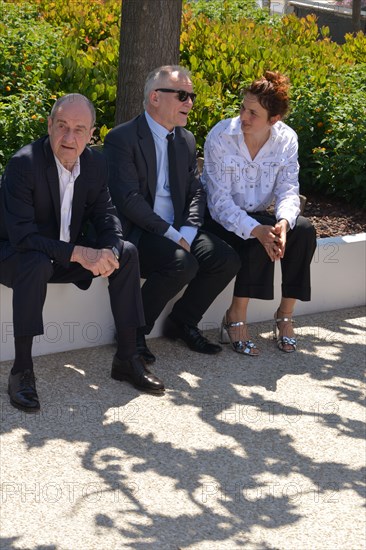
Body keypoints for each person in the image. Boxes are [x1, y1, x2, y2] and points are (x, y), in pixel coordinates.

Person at [0, 93, 165, 413]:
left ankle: (128, 358)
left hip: (61, 257)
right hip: (15, 254)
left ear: (91, 134)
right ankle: (21, 371)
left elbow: (107, 215)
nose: (69, 137)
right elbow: (22, 237)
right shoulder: (24, 164)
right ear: (49, 126)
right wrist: (79, 253)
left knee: (127, 252)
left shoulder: (94, 163)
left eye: (79, 129)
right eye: (62, 126)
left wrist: (109, 249)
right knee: (34, 262)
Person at [104, 65, 240, 364]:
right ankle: (132, 333)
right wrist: (170, 234)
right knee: (182, 264)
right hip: (138, 230)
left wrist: (188, 230)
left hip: (178, 229)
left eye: (191, 96)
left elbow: (196, 191)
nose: (189, 102)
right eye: (182, 95)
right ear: (155, 97)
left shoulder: (186, 140)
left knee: (226, 259)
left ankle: (181, 322)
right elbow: (128, 200)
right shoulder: (122, 138)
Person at [201, 71, 316, 356]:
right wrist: (257, 230)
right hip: (218, 220)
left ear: (273, 120)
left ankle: (285, 316)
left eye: (253, 113)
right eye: (243, 108)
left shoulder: (286, 139)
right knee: (257, 238)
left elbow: (289, 189)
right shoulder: (221, 136)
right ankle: (234, 317)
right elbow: (219, 202)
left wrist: (283, 223)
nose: (244, 117)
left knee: (303, 230)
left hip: (257, 215)